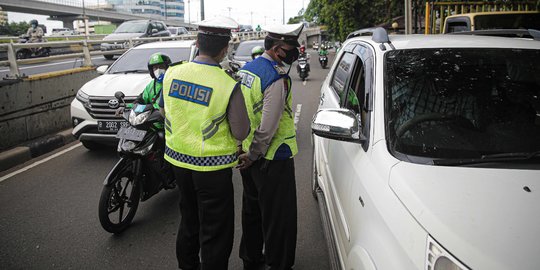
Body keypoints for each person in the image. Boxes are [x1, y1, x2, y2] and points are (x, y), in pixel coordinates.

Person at [160, 16, 250, 270]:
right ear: (225, 49)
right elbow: (241, 131)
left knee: (189, 219)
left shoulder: (172, 74)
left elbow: (165, 110)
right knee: (215, 230)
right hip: (212, 170)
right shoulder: (227, 84)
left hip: (178, 160)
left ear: (197, 42)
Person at [236, 23, 304, 270]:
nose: (294, 55)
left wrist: (243, 150)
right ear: (277, 50)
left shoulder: (247, 70)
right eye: (290, 50)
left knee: (252, 212)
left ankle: (251, 259)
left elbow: (237, 113)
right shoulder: (276, 77)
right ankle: (279, 263)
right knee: (279, 218)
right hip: (272, 156)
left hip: (247, 155)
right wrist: (254, 154)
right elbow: (269, 125)